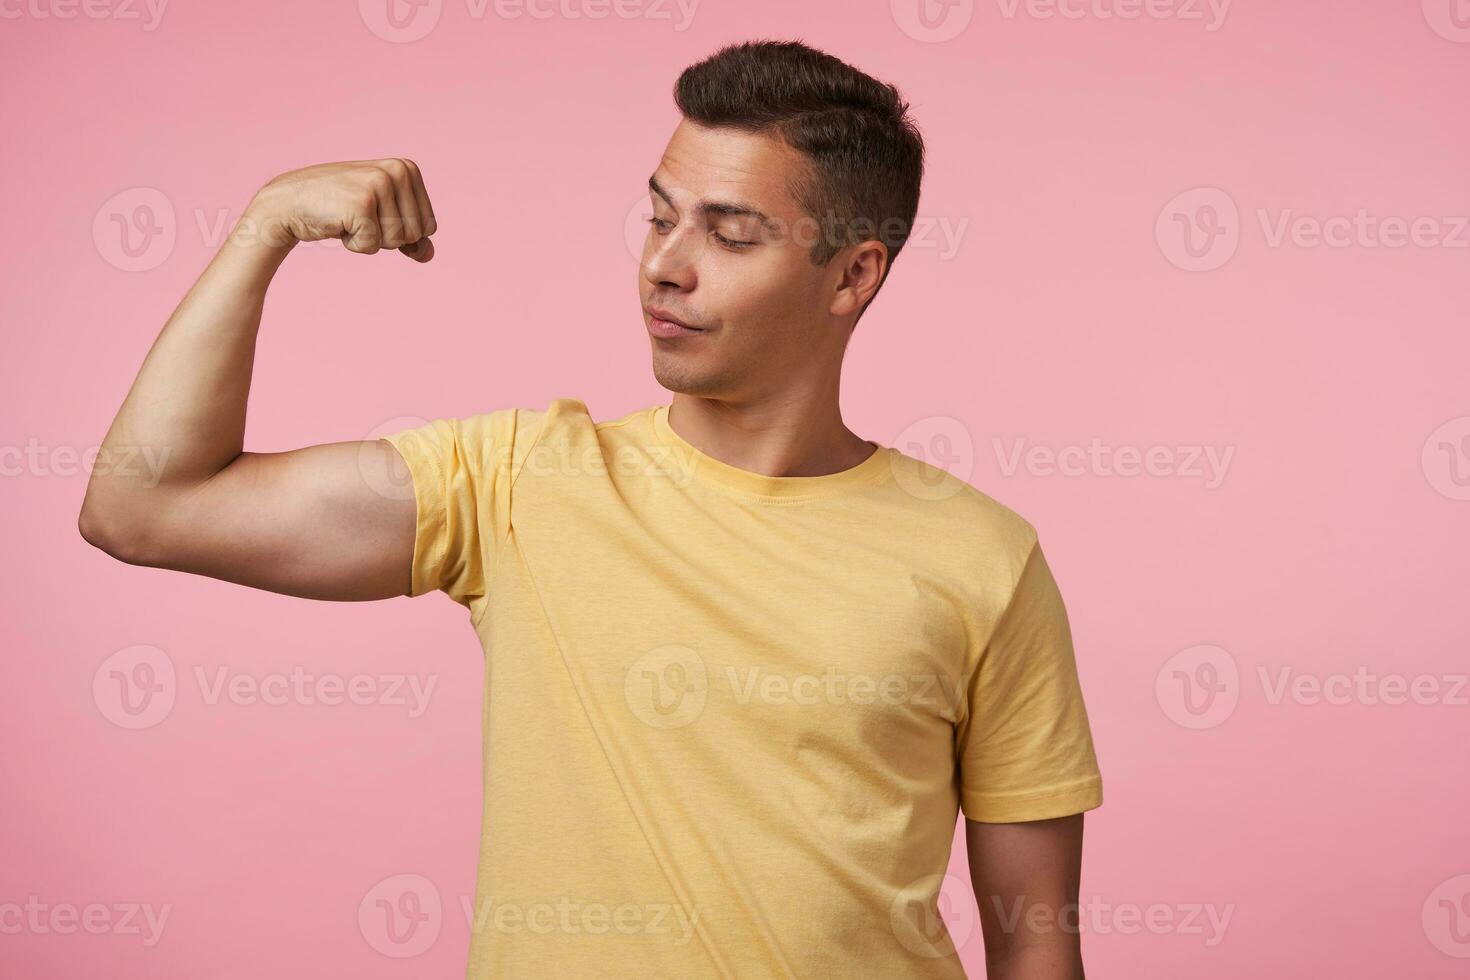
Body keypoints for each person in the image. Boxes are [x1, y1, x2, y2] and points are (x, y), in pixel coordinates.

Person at [80, 39, 1102, 980]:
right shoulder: (521, 480)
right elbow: (145, 502)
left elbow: (1037, 944)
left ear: (852, 275)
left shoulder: (984, 558)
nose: (666, 263)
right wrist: (268, 223)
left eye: (730, 234)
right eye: (660, 216)